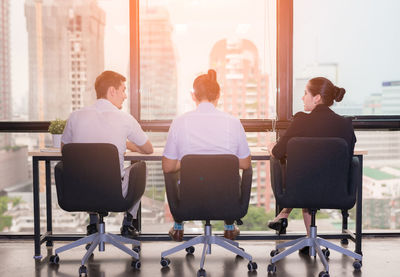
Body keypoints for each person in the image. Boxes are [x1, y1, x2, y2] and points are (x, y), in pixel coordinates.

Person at [267, 77, 356, 254]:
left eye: (305, 93)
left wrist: (271, 146)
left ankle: (284, 213)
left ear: (316, 98)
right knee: (311, 176)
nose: (302, 98)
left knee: (303, 177)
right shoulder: (345, 125)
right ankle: (309, 240)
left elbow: (277, 152)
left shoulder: (301, 120)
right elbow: (348, 158)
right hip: (337, 192)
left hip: (301, 190)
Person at [61, 70, 153, 238]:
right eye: (123, 90)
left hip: (79, 192)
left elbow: (65, 149)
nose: (125, 96)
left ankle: (93, 222)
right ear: (112, 91)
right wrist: (125, 144)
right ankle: (128, 224)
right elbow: (148, 149)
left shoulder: (75, 117)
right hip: (114, 194)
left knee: (87, 173)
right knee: (140, 168)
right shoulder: (125, 119)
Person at [162, 69, 251, 242]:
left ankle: (179, 226)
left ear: (193, 95)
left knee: (177, 171)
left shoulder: (180, 122)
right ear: (218, 95)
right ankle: (229, 227)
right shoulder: (233, 122)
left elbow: (168, 166)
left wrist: (186, 162)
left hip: (189, 202)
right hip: (227, 201)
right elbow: (245, 164)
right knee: (231, 172)